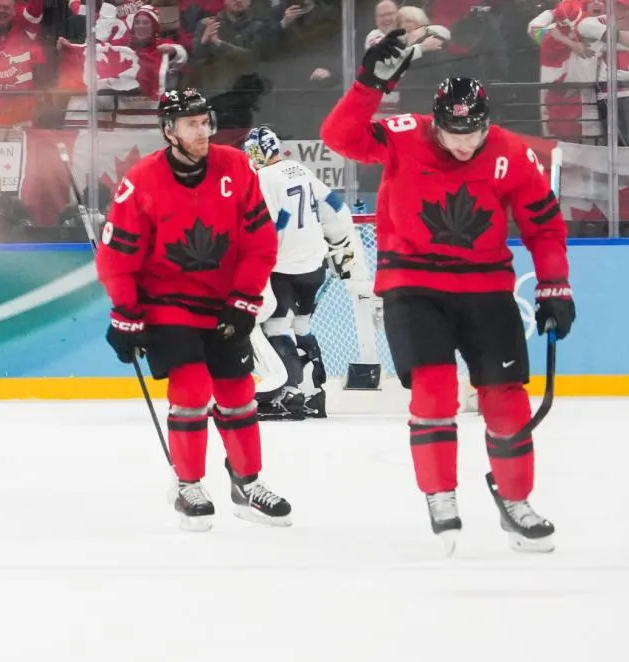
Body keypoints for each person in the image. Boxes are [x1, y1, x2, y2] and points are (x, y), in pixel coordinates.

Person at [321, 30, 576, 554]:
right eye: (452, 131)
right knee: (434, 392)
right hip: (413, 287)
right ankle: (441, 495)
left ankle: (516, 501)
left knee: (506, 402)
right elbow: (340, 137)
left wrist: (554, 286)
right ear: (435, 120)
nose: (463, 143)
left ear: (486, 122)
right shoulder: (404, 134)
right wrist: (371, 84)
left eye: (473, 131)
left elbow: (544, 226)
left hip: (486, 289)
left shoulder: (511, 154)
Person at [96, 88, 290, 531]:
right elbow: (115, 256)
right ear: (170, 131)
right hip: (167, 303)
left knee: (239, 393)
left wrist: (245, 300)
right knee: (191, 388)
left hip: (223, 301)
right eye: (192, 124)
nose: (203, 131)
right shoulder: (141, 181)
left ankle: (247, 482)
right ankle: (188, 484)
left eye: (206, 122)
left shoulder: (236, 166)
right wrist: (125, 314)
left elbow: (261, 241)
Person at [242, 125, 362, 420]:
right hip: (315, 265)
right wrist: (341, 245)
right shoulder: (297, 169)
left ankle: (289, 394)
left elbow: (271, 225)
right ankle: (314, 395)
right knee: (303, 326)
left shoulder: (262, 178)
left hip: (283, 267)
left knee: (275, 328)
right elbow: (334, 204)